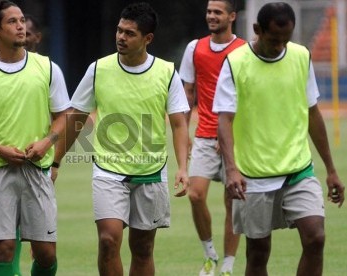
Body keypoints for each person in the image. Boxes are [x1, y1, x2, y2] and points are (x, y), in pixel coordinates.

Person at [54, 2, 190, 275]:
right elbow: (76, 119)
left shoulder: (166, 72)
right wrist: (55, 163)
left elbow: (178, 124)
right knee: (108, 241)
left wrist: (183, 167)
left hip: (150, 172)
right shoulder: (98, 69)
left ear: (147, 38)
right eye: (119, 30)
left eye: (129, 33)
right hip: (108, 170)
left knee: (142, 249)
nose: (120, 37)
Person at [213, 2, 345, 276]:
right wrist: (232, 169)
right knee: (258, 253)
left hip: (298, 170)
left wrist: (331, 170)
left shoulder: (300, 56)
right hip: (253, 176)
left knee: (316, 237)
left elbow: (312, 114)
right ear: (257, 30)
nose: (280, 46)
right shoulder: (236, 63)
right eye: (274, 40)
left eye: (286, 39)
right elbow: (224, 120)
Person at [0, 1, 70, 275]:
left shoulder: (48, 68)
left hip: (37, 170)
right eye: (12, 22)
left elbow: (63, 115)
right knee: (3, 249)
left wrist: (47, 142)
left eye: (21, 20)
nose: (21, 26)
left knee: (45, 254)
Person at [178, 1, 245, 275]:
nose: (211, 16)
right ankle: (210, 255)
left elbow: (248, 95)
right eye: (209, 11)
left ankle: (228, 264)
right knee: (195, 195)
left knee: (234, 201)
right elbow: (188, 92)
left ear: (232, 16)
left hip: (236, 138)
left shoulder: (244, 50)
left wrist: (231, 134)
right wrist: (183, 130)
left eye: (218, 12)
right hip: (204, 134)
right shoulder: (195, 48)